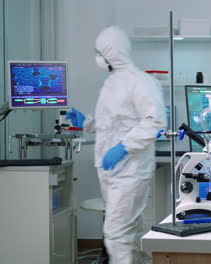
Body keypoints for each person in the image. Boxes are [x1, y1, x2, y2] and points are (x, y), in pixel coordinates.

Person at [67, 26, 166, 264]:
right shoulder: (112, 83)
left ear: (112, 52)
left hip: (131, 171)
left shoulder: (141, 81)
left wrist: (123, 147)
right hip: (111, 172)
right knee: (131, 233)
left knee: (116, 235)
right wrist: (88, 123)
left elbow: (155, 122)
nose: (98, 57)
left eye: (100, 52)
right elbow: (113, 123)